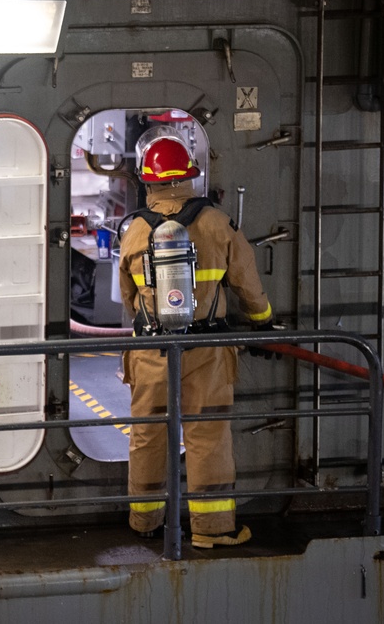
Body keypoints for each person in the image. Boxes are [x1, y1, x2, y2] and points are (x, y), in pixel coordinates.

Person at [117, 125, 274, 548]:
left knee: (148, 433)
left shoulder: (133, 230)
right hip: (206, 349)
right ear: (190, 174)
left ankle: (144, 521)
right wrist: (263, 320)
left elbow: (129, 299)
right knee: (207, 435)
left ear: (146, 180)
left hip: (151, 351)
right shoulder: (217, 222)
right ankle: (212, 530)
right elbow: (247, 283)